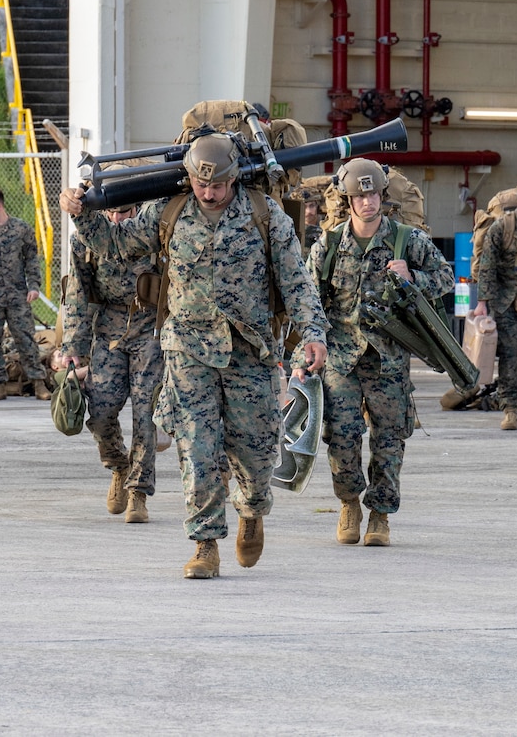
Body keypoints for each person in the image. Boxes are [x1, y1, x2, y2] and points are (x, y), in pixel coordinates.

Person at [60, 131, 328, 578]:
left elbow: (297, 282)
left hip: (249, 351)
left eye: (217, 185)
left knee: (256, 452)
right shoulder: (169, 213)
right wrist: (81, 213)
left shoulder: (265, 215)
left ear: (234, 178)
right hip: (187, 351)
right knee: (196, 448)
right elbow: (114, 244)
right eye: (202, 184)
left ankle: (251, 509)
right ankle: (205, 543)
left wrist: (313, 334)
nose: (209, 192)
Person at [292, 158, 454, 546]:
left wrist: (413, 277)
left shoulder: (407, 241)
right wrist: (302, 359)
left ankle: (380, 514)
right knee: (342, 437)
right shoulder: (329, 245)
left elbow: (446, 277)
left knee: (390, 440)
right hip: (341, 360)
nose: (368, 202)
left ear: (383, 196)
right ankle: (349, 504)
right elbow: (308, 305)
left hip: (389, 359)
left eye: (373, 195)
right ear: (348, 201)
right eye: (359, 196)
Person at [61, 198, 164, 523]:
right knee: (101, 408)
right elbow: (77, 291)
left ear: (137, 210)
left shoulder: (153, 234)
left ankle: (138, 492)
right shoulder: (86, 237)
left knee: (147, 413)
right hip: (108, 328)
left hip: (150, 327)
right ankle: (119, 465)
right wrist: (73, 346)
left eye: (125, 212)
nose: (118, 219)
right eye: (112, 213)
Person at [0, 187, 51, 401]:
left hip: (18, 296)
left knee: (25, 338)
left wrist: (34, 286)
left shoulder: (21, 229)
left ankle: (39, 383)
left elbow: (32, 260)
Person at [474, 182, 517, 431]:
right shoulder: (502, 228)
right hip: (506, 304)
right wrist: (482, 303)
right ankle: (510, 410)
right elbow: (487, 266)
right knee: (509, 358)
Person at [289, 185, 324, 255]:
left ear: (317, 206)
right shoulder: (290, 228)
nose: (308, 211)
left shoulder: (326, 226)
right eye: (304, 207)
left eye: (312, 206)